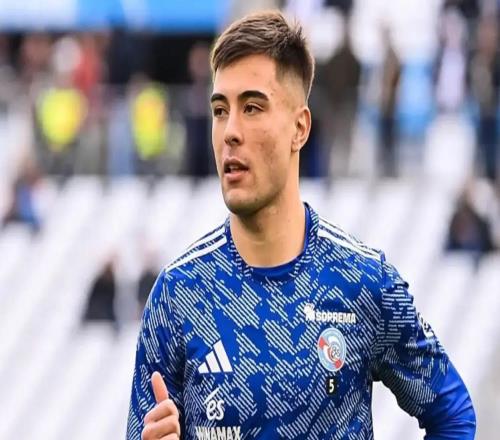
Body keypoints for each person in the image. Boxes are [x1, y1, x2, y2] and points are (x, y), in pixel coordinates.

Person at [127, 11, 476, 440]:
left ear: (300, 128)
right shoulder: (178, 293)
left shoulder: (362, 280)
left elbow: (453, 414)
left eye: (252, 107)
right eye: (220, 110)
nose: (230, 131)